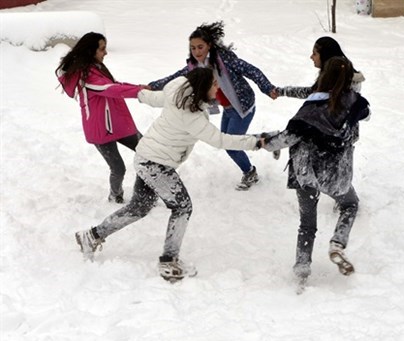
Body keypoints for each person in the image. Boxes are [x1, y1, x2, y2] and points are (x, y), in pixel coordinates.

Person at [74, 67, 264, 282]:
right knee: (182, 207)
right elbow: (220, 140)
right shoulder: (192, 116)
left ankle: (91, 236)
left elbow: (154, 97)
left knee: (139, 207)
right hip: (156, 164)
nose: (217, 86)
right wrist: (256, 142)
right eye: (214, 83)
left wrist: (141, 93)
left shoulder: (179, 89)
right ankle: (168, 261)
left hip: (146, 156)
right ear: (202, 87)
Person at [261, 57, 370, 282]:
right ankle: (337, 244)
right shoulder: (355, 103)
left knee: (307, 224)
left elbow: (288, 137)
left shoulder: (311, 108)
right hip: (335, 173)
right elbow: (367, 113)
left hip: (306, 172)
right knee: (349, 204)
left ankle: (302, 268)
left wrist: (266, 142)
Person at [149, 21, 276, 191]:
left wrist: (267, 88)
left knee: (230, 145)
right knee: (227, 141)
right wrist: (152, 86)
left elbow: (251, 70)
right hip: (228, 109)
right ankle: (268, 138)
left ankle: (250, 172)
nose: (197, 52)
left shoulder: (225, 60)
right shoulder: (195, 67)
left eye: (200, 47)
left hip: (242, 107)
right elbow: (176, 77)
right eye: (193, 48)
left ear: (209, 45)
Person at [56, 32, 145, 204]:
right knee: (118, 168)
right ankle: (115, 196)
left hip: (119, 123)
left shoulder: (96, 68)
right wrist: (140, 92)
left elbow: (115, 85)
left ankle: (146, 192)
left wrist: (139, 87)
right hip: (100, 130)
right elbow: (111, 89)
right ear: (91, 51)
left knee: (148, 151)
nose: (106, 53)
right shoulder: (85, 77)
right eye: (102, 49)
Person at [271, 36, 365, 99]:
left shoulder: (338, 82)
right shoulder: (336, 76)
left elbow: (313, 94)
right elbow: (313, 92)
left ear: (325, 56)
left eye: (314, 54)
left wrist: (282, 92)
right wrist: (282, 91)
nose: (311, 57)